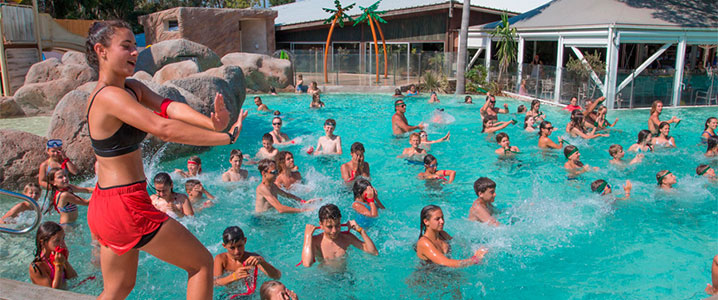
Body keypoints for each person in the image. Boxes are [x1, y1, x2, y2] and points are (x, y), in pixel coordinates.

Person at [85, 20, 247, 299]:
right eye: (126, 47)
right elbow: (163, 127)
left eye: (135, 47)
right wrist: (227, 139)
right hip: (125, 205)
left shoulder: (131, 88)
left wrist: (213, 125)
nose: (134, 53)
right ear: (101, 50)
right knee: (201, 264)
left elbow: (167, 107)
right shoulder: (109, 96)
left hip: (106, 203)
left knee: (118, 288)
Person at [301, 204, 378, 267]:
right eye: (329, 227)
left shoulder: (347, 237)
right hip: (325, 279)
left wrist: (361, 231)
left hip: (345, 276)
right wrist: (307, 236)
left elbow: (373, 252)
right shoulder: (316, 241)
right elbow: (307, 264)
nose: (334, 231)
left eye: (337, 225)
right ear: (321, 225)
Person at [415, 205, 488, 267]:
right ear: (426, 222)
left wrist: (476, 249)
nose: (442, 221)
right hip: (427, 277)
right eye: (437, 219)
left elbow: (460, 243)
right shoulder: (424, 243)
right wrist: (475, 259)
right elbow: (446, 262)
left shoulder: (442, 234)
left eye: (442, 218)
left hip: (442, 273)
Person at [213, 226, 281, 290]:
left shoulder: (253, 259)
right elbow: (214, 283)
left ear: (245, 241)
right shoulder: (221, 259)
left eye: (240, 246)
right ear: (224, 246)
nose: (237, 251)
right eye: (232, 248)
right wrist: (233, 276)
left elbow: (277, 276)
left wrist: (263, 262)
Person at [29, 222, 77, 289]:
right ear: (42, 242)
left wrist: (65, 261)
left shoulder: (57, 256)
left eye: (63, 239)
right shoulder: (37, 267)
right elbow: (52, 293)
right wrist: (59, 265)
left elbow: (73, 278)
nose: (62, 244)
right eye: (57, 241)